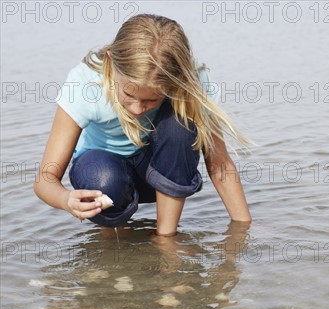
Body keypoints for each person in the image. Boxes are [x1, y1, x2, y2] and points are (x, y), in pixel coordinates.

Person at [34, 13, 254, 237]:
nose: (137, 109)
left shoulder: (192, 81)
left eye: (152, 100)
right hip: (103, 175)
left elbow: (220, 166)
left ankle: (166, 237)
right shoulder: (85, 85)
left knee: (180, 127)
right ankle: (112, 234)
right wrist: (65, 200)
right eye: (129, 93)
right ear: (111, 62)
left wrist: (244, 229)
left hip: (156, 175)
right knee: (103, 177)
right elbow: (45, 179)